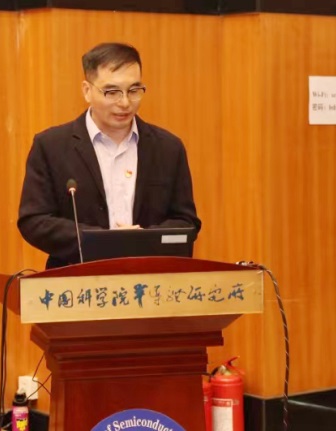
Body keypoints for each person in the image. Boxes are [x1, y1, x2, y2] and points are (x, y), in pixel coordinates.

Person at [18, 42, 201, 269]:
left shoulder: (168, 148)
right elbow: (34, 221)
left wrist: (142, 241)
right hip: (76, 279)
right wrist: (104, 242)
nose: (124, 103)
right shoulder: (51, 146)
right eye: (112, 92)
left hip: (151, 278)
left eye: (133, 90)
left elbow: (187, 223)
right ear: (87, 90)